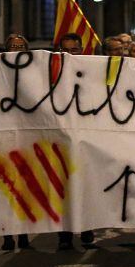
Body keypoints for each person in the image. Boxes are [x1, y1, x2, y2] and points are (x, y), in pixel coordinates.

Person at [56, 33, 96, 250]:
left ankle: (87, 229)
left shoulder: (90, 72)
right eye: (66, 50)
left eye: (74, 50)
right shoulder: (51, 74)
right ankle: (64, 235)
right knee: (64, 189)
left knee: (87, 186)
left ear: (81, 50)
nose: (70, 55)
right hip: (62, 141)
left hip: (86, 140)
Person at [2, 34, 31, 251]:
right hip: (3, 139)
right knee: (5, 190)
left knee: (24, 189)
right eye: (13, 46)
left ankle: (23, 235)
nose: (17, 49)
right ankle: (6, 235)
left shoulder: (33, 71)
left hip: (27, 139)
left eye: (21, 46)